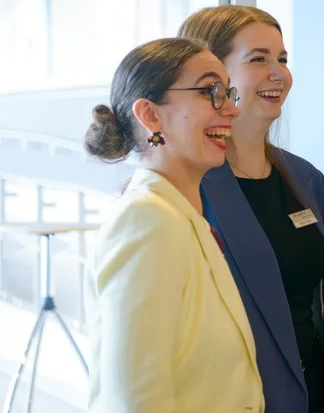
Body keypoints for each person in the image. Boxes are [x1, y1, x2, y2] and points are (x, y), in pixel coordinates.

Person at [178, 6, 324, 413]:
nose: (279, 73)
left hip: (314, 391)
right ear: (212, 78)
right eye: (259, 59)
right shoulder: (186, 187)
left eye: (282, 58)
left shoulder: (305, 178)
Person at [82, 38, 264, 412]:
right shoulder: (145, 221)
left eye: (228, 93)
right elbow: (136, 400)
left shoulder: (183, 217)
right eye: (211, 92)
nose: (231, 109)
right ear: (151, 115)